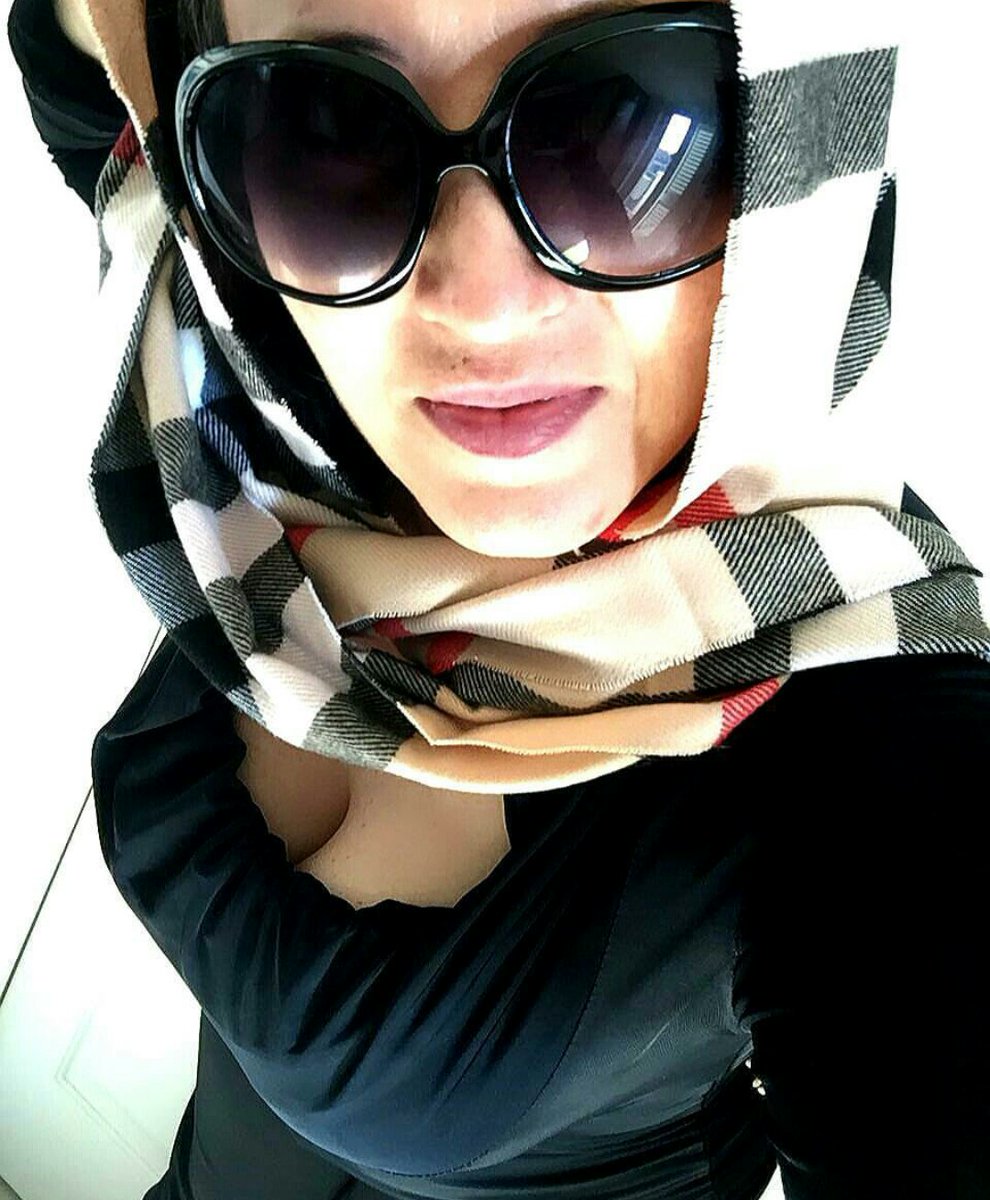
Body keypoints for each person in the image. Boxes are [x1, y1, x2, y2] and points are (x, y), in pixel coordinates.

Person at [7, 0, 990, 1197]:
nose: (478, 301)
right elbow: (78, 48)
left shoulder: (866, 706)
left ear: (798, 132)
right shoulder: (235, 387)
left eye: (622, 119)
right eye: (329, 126)